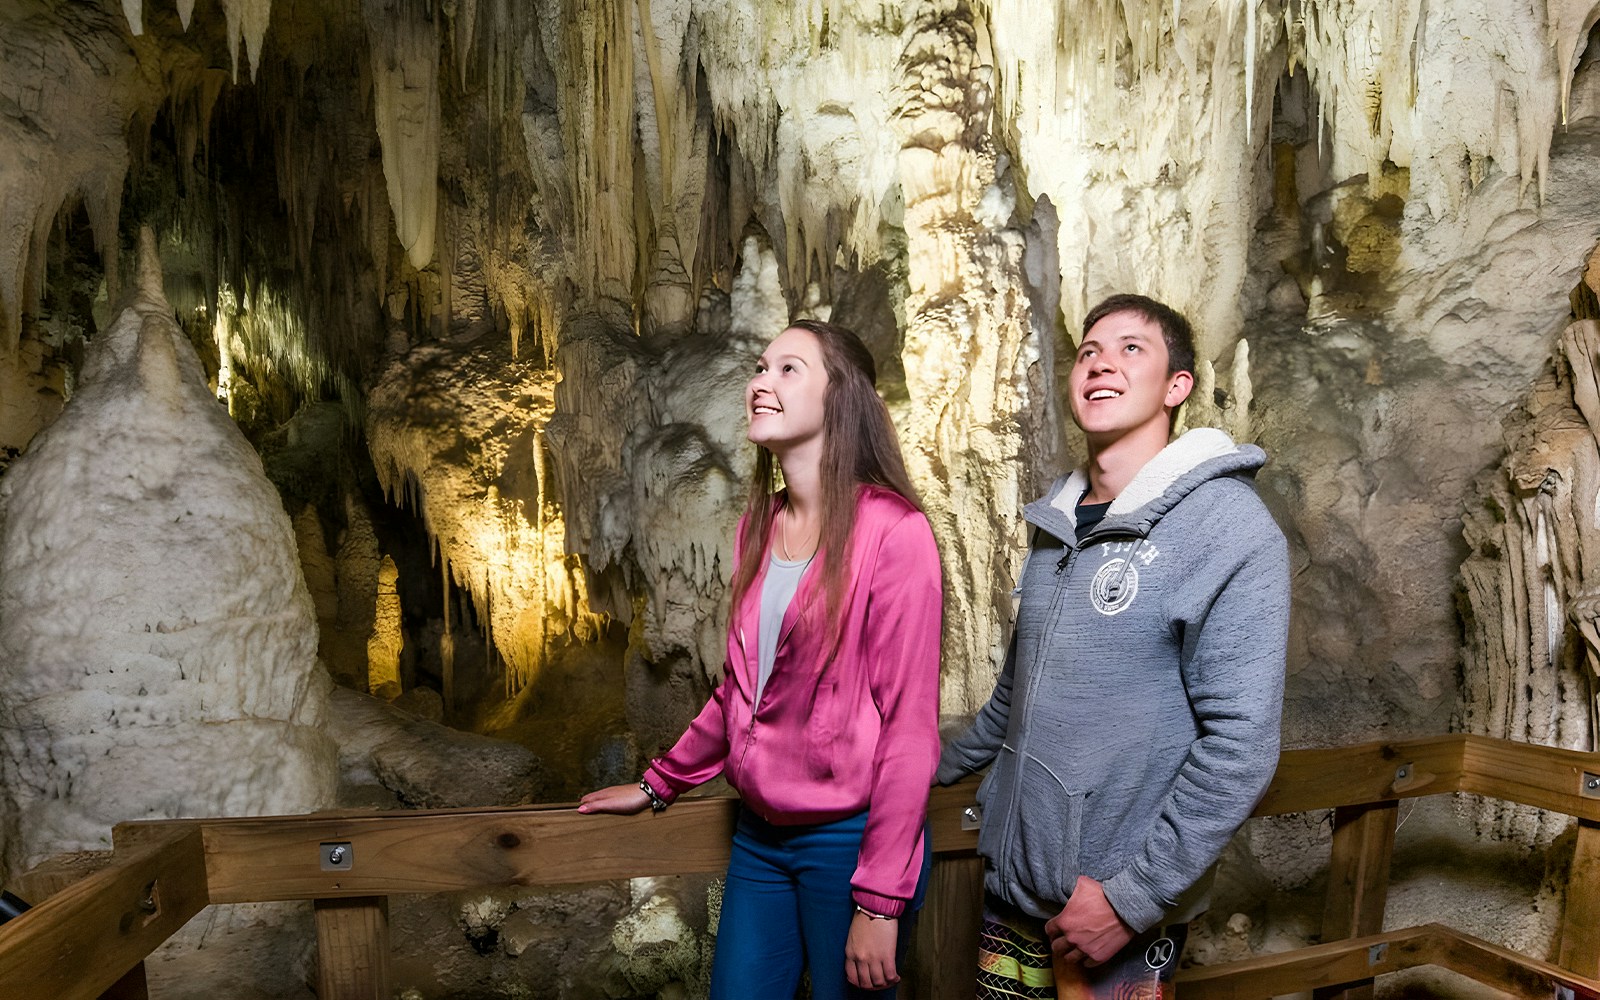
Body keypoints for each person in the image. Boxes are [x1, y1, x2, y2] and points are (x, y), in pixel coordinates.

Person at [936, 294, 1289, 999]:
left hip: (1109, 910)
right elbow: (1017, 695)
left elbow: (1241, 744)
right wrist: (922, 765)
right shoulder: (1057, 527)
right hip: (1015, 881)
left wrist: (1134, 898)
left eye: (1132, 349)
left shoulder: (1229, 530)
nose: (1101, 363)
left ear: (1176, 386)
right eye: (1090, 351)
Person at [579, 319, 943, 999]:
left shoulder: (894, 532)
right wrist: (660, 783)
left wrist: (880, 901)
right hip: (759, 840)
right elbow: (743, 693)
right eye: (759, 367)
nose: (760, 384)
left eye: (788, 370)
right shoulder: (760, 524)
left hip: (847, 842)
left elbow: (910, 728)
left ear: (842, 399)